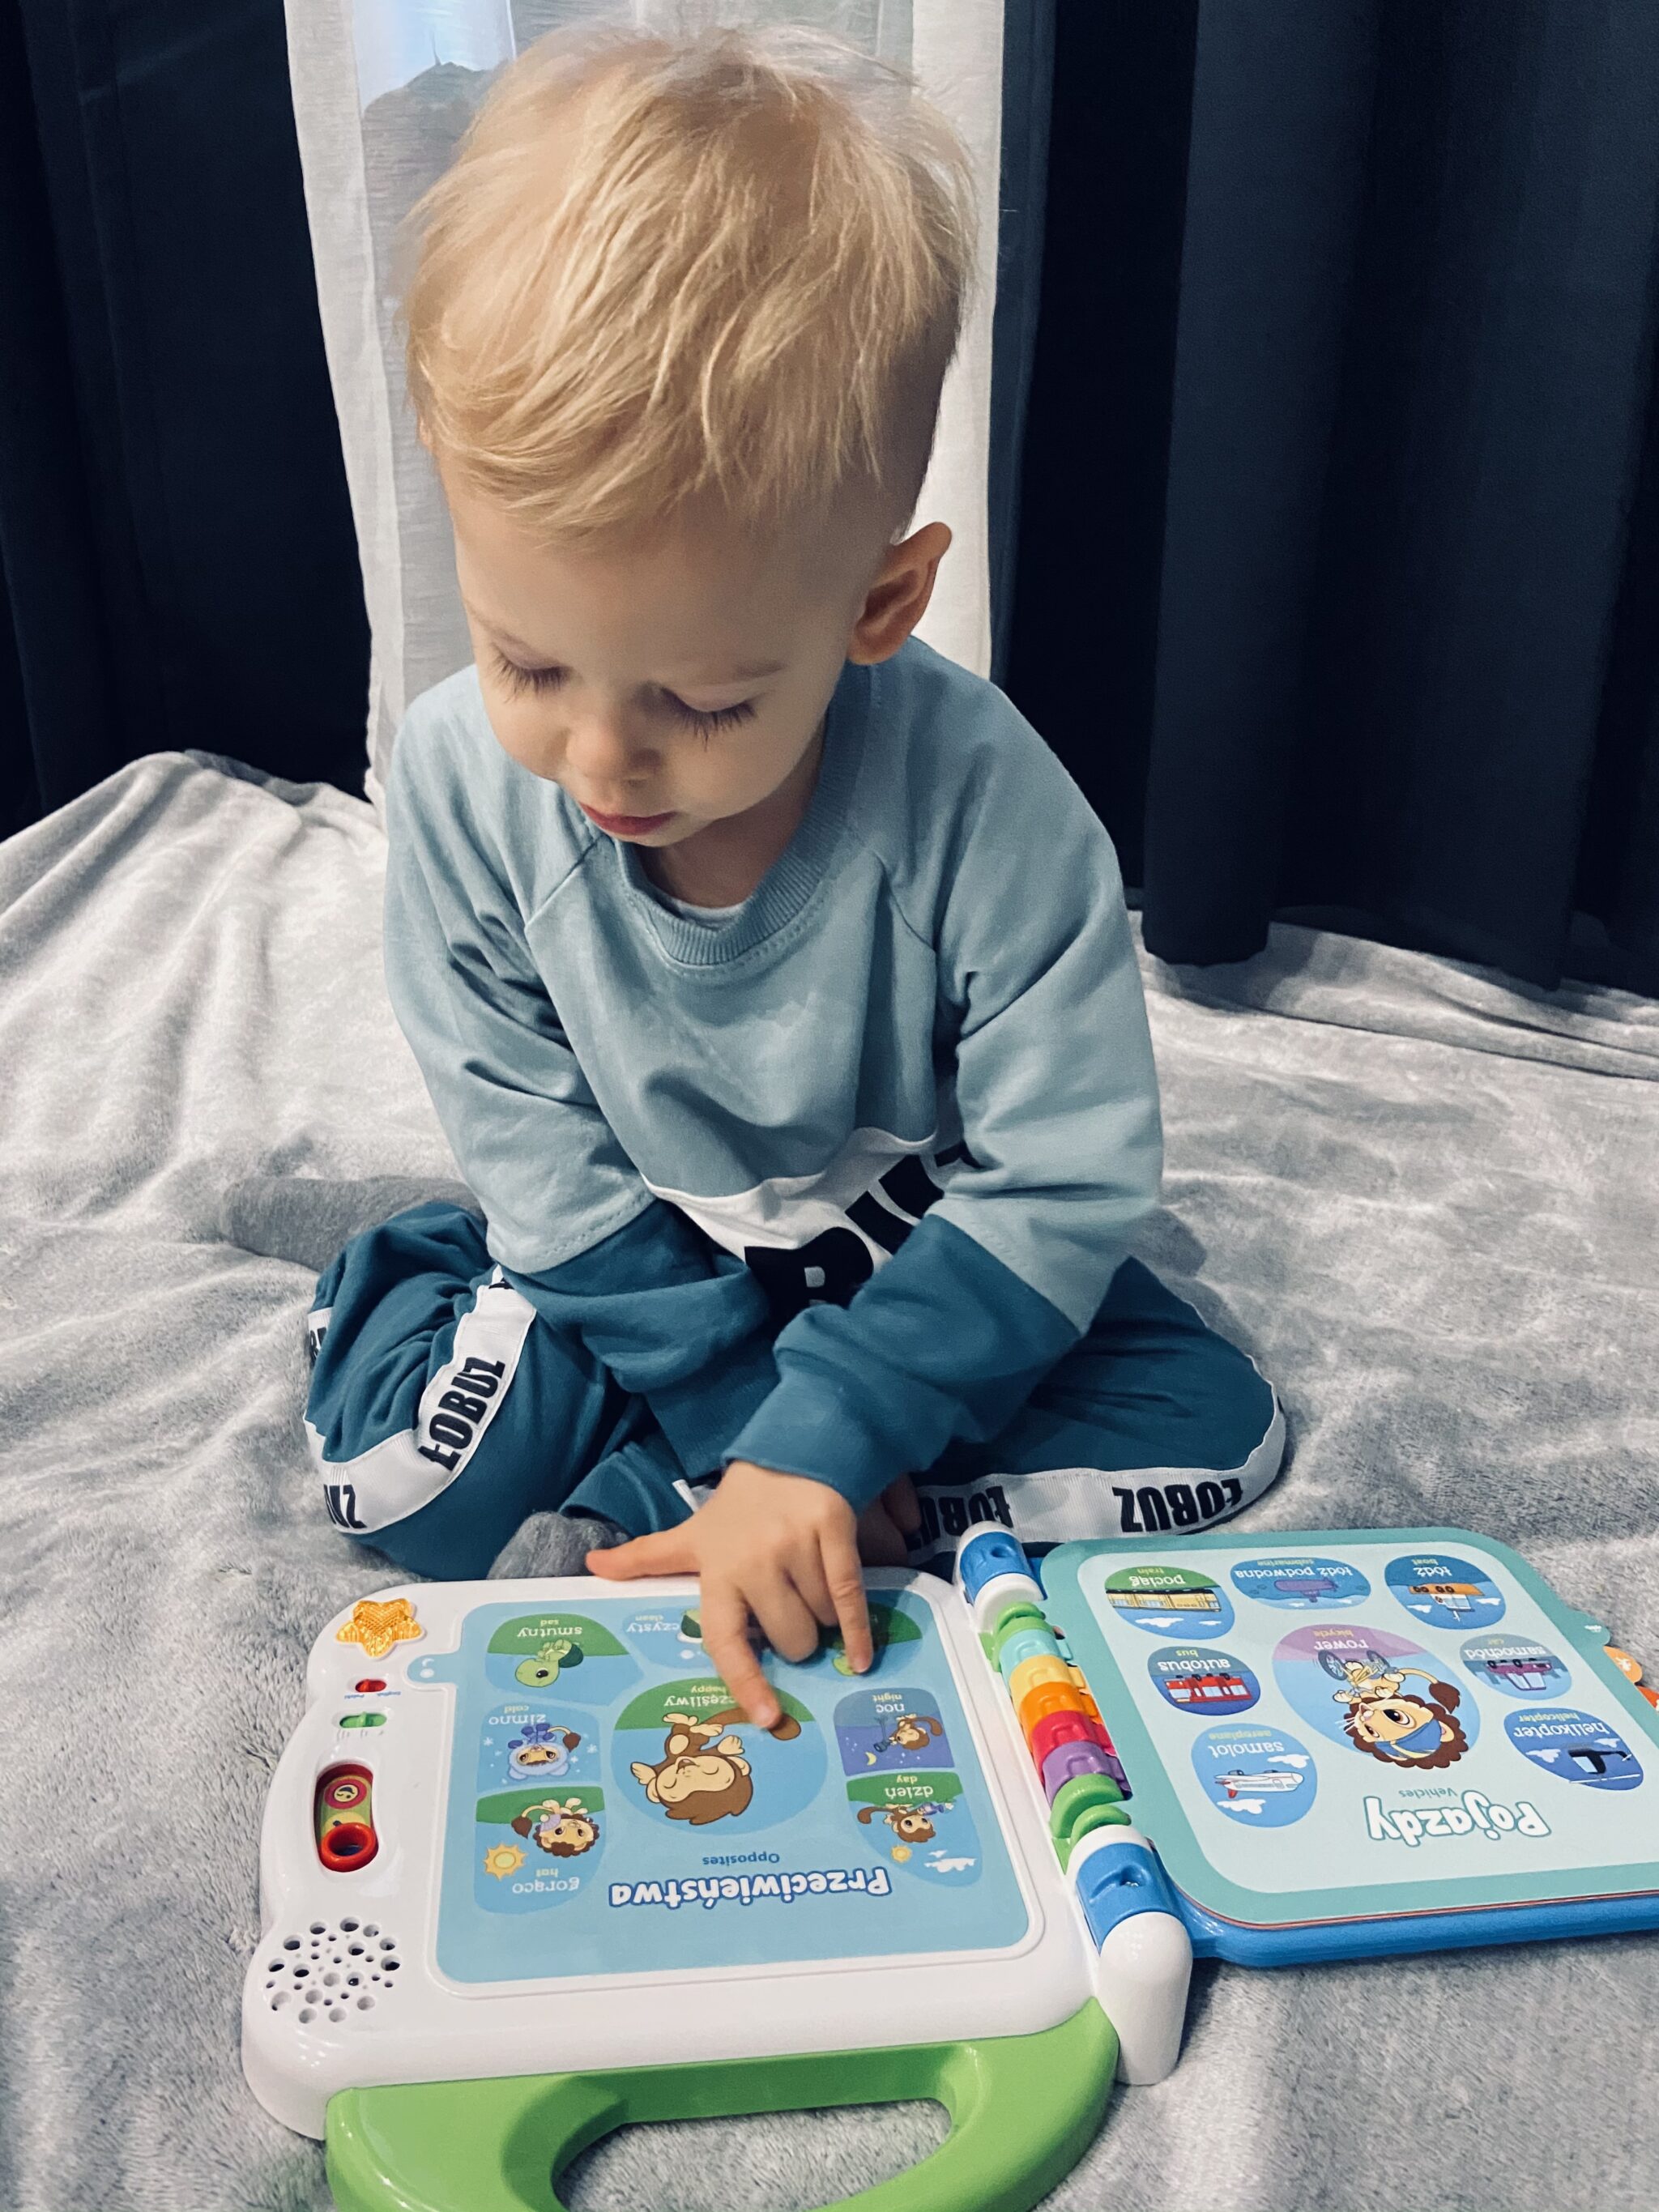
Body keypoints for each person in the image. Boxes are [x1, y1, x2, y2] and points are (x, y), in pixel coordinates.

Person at [305, 24, 1282, 1726]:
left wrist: (827, 1437)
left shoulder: (991, 809)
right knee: (413, 1492)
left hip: (896, 1270)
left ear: (877, 606)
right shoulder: (465, 784)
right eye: (527, 659)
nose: (601, 762)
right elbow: (531, 1139)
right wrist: (750, 1429)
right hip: (623, 1264)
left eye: (698, 703)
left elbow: (1062, 1178)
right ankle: (569, 1381)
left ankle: (748, 1502)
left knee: (1219, 1445)